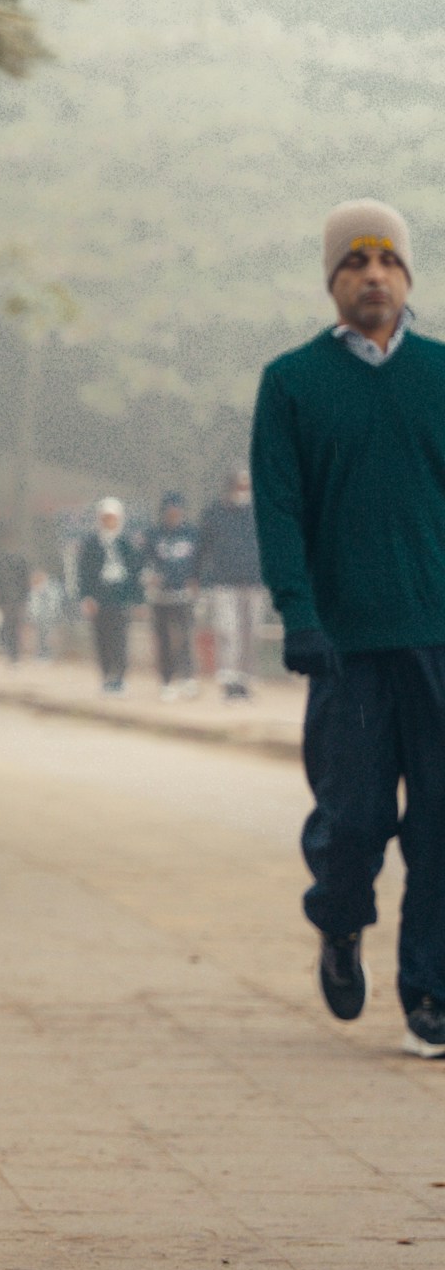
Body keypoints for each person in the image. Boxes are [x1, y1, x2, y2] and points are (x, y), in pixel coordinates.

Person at [251, 199, 445, 1059]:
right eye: (355, 263)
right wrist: (300, 613)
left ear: (408, 276)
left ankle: (430, 989)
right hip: (344, 648)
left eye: (388, 261)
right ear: (333, 282)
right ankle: (338, 921)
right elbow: (281, 511)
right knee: (353, 819)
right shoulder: (292, 383)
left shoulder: (441, 374)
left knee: (442, 823)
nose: (373, 275)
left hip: (439, 640)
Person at [197, 469, 263, 701]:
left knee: (250, 633)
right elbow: (202, 547)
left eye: (246, 485)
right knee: (228, 632)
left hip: (254, 582)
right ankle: (229, 682)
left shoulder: (260, 511)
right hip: (224, 582)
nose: (242, 490)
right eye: (239, 485)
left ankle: (245, 681)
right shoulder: (215, 512)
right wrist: (196, 577)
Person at [76, 497, 141, 691]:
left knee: (120, 640)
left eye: (112, 518)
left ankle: (119, 677)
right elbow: (84, 573)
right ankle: (106, 676)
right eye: (105, 518)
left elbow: (135, 572)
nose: (109, 522)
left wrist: (137, 599)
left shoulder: (126, 544)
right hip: (99, 599)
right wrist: (86, 597)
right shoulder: (91, 545)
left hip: (120, 598)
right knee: (102, 639)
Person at [144, 491, 200, 700]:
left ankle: (188, 678)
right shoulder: (153, 535)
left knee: (185, 638)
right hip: (160, 597)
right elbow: (144, 562)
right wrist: (150, 577)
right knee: (165, 640)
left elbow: (199, 562)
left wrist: (197, 581)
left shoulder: (192, 535)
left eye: (177, 511)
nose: (174, 514)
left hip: (183, 595)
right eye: (170, 511)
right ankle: (167, 680)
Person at [0, 542, 32, 666]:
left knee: (9, 626)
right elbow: (25, 581)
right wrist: (24, 598)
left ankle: (11, 653)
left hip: (5, 600)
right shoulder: (20, 560)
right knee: (15, 626)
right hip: (17, 599)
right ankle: (15, 653)